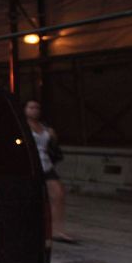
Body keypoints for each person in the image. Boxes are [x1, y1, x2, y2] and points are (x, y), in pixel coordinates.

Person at [25, 99, 75, 243]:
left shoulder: (45, 128)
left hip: (46, 165)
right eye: (31, 107)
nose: (34, 110)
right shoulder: (22, 126)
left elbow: (52, 148)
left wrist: (53, 137)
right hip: (31, 166)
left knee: (58, 194)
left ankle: (57, 230)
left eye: (37, 107)